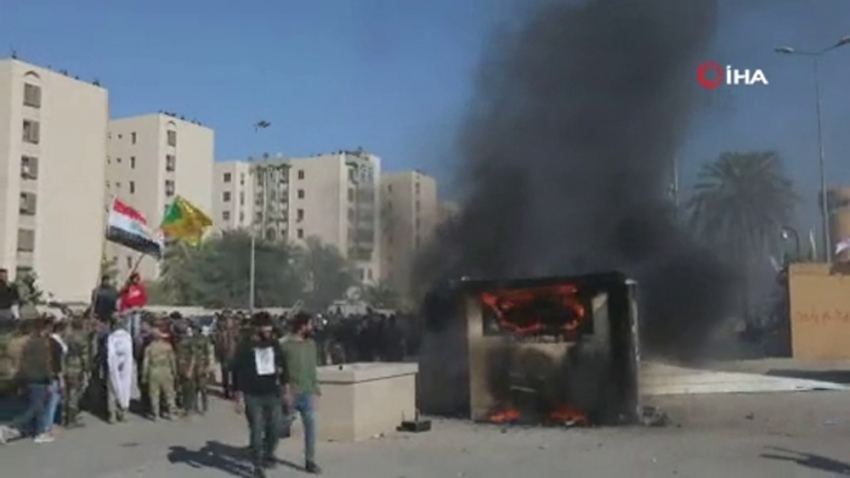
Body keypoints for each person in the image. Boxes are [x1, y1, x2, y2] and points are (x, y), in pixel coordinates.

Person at [231, 312, 289, 478]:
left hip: (272, 392)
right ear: (256, 328)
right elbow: (236, 371)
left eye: (270, 326)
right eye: (265, 327)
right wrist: (238, 395)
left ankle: (269, 453)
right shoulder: (245, 346)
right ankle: (257, 465)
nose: (269, 330)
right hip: (252, 394)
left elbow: (283, 365)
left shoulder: (274, 344)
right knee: (257, 429)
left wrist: (286, 388)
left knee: (276, 427)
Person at [0, 317, 63, 444]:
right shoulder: (42, 344)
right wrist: (50, 378)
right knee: (35, 408)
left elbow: (23, 361)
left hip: (28, 377)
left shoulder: (28, 343)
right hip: (38, 378)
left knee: (35, 407)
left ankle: (34, 430)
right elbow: (45, 364)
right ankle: (13, 428)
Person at [280, 312, 322, 474]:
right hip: (292, 392)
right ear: (302, 326)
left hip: (307, 392)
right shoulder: (285, 345)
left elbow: (312, 370)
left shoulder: (311, 345)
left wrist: (316, 391)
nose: (312, 328)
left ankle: (310, 461)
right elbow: (280, 370)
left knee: (311, 427)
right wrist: (285, 391)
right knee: (281, 426)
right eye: (310, 324)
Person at [142, 327, 177, 420]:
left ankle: (155, 414)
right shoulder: (167, 346)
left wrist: (144, 375)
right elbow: (172, 360)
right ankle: (171, 413)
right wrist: (174, 371)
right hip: (166, 370)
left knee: (154, 394)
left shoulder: (149, 348)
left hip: (154, 371)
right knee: (169, 393)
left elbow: (146, 363)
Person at [63, 317, 92, 428]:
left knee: (68, 392)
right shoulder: (82, 338)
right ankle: (71, 419)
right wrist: (87, 368)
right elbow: (84, 355)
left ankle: (66, 416)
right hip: (77, 366)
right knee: (75, 393)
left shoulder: (68, 336)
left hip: (67, 365)